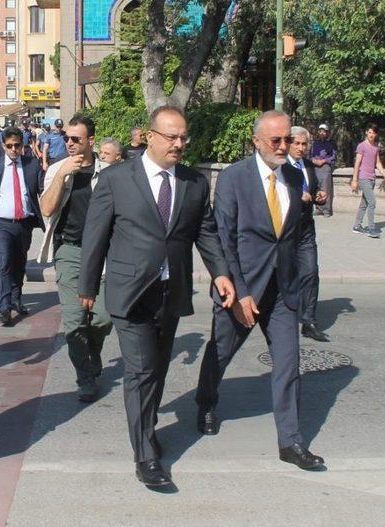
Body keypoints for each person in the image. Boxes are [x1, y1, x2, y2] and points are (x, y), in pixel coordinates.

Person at [78, 105, 235, 487]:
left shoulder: (195, 182)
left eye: (184, 137)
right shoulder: (117, 179)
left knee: (158, 368)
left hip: (171, 291)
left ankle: (145, 429)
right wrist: (86, 287)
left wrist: (221, 273)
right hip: (130, 292)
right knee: (141, 371)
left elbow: (206, 233)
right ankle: (146, 457)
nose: (179, 144)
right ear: (150, 136)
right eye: (171, 137)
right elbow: (95, 237)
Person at [195, 110, 326, 472]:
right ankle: (205, 402)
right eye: (276, 140)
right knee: (220, 353)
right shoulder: (234, 178)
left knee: (288, 364)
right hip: (242, 289)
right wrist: (239, 291)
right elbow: (225, 238)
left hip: (283, 291)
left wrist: (299, 279)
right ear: (256, 141)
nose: (285, 147)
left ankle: (291, 441)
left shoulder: (293, 177)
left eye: (288, 139)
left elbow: (296, 236)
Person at [38, 116, 113, 403]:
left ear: (90, 141)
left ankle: (93, 353)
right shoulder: (57, 168)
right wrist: (61, 176)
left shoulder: (108, 172)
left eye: (75, 139)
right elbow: (46, 209)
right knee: (74, 320)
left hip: (103, 252)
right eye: (66, 138)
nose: (69, 143)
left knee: (103, 318)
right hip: (69, 250)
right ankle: (85, 377)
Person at [0, 127, 44, 326]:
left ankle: (17, 299)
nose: (14, 149)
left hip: (24, 223)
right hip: (1, 223)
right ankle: (4, 306)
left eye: (17, 145)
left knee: (19, 263)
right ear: (3, 145)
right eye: (10, 146)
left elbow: (42, 189)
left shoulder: (32, 165)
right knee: (5, 264)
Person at [287, 126, 329, 342]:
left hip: (305, 229)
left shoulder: (309, 166)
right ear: (288, 143)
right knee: (281, 275)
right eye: (297, 143)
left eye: (305, 144)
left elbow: (311, 192)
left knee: (310, 272)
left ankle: (308, 320)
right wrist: (296, 195)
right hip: (284, 230)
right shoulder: (280, 166)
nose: (301, 148)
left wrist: (318, 195)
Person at [351, 123, 385, 239]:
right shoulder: (362, 146)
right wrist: (354, 180)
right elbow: (357, 163)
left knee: (364, 204)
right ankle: (371, 229)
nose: (371, 135)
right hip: (363, 178)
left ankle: (357, 226)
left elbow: (377, 163)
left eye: (373, 133)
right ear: (366, 133)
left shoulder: (375, 147)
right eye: (369, 132)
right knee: (372, 202)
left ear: (376, 134)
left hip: (372, 178)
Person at [309, 124, 337, 217]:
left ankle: (326, 210)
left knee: (325, 188)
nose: (322, 133)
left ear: (327, 133)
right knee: (317, 187)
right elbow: (310, 155)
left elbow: (333, 156)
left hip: (325, 166)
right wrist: (313, 160)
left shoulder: (331, 143)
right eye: (320, 131)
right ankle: (318, 208)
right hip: (315, 166)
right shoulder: (315, 143)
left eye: (324, 131)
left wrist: (324, 161)